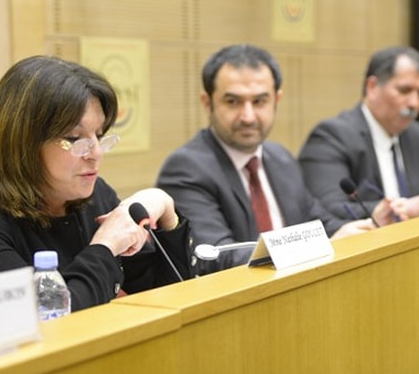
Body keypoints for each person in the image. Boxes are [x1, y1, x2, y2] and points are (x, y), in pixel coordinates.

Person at [0, 55, 192, 312]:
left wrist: (167, 211)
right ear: (23, 143)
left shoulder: (94, 196)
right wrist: (105, 247)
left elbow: (171, 294)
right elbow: (51, 320)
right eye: (74, 138)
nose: (96, 153)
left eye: (100, 135)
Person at [156, 44, 375, 275]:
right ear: (207, 103)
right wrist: (324, 244)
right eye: (233, 102)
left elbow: (319, 223)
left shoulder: (281, 159)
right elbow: (216, 256)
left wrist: (355, 230)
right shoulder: (187, 169)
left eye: (260, 101)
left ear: (276, 100)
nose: (248, 116)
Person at [297, 46, 419, 223]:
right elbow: (328, 209)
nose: (414, 103)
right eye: (405, 90)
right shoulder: (332, 137)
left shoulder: (417, 135)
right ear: (372, 87)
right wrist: (403, 208)